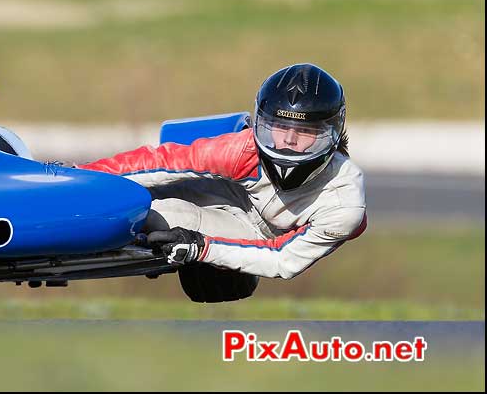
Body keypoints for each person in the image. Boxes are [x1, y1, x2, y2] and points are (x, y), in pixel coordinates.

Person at [77, 63, 367, 280]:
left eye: (304, 131)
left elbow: (283, 260)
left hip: (262, 237)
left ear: (331, 132)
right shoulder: (245, 148)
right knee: (139, 190)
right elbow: (163, 162)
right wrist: (82, 179)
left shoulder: (344, 204)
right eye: (279, 127)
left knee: (158, 216)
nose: (288, 140)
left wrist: (200, 248)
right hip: (233, 192)